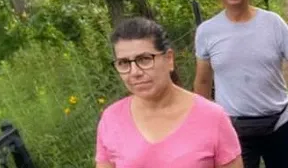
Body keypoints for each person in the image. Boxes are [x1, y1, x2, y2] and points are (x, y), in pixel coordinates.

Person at [193, 0, 288, 168]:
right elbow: (202, 82)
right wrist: (202, 122)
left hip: (278, 123)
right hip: (233, 128)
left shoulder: (273, 22)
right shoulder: (207, 31)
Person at [96, 17, 243, 168]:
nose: (134, 72)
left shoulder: (212, 117)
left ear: (169, 59)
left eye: (145, 59)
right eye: (124, 63)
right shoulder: (111, 119)